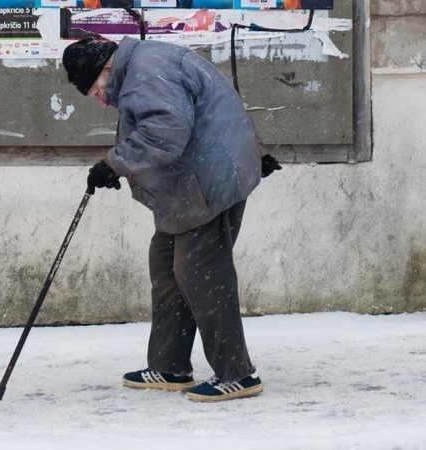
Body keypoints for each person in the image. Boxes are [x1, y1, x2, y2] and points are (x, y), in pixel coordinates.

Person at [62, 36, 281, 402]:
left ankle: (238, 374)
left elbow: (166, 131)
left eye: (96, 91)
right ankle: (170, 365)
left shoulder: (147, 71)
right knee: (166, 264)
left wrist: (113, 165)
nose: (101, 100)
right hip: (191, 181)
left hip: (207, 180)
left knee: (201, 271)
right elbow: (211, 105)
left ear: (105, 69)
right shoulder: (146, 65)